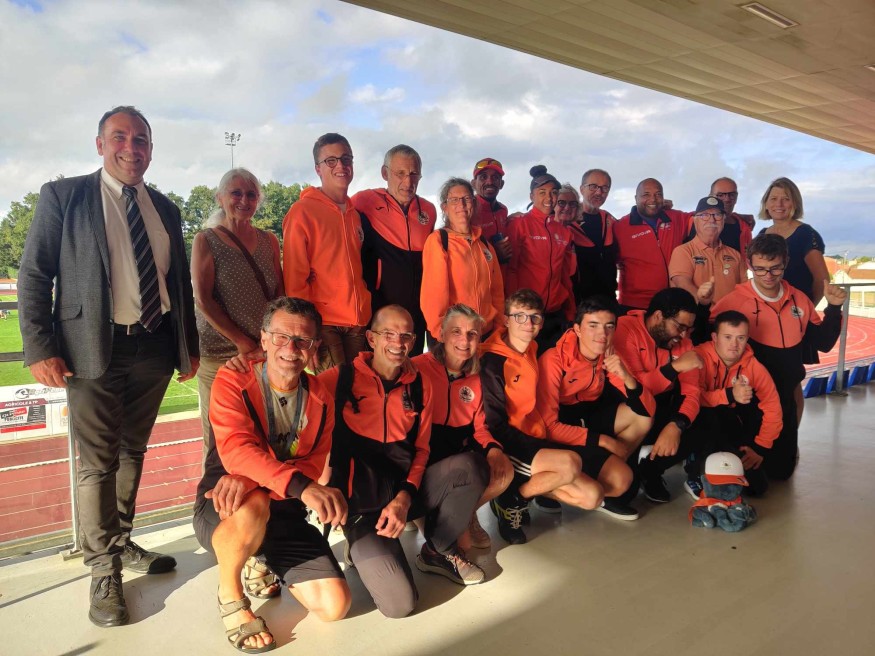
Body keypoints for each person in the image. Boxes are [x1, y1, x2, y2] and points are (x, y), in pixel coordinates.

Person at [17, 106, 199, 627]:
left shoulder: (165, 208)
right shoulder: (64, 196)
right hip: (91, 351)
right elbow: (35, 274)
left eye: (141, 139)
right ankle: (103, 570)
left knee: (132, 452)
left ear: (151, 149)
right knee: (98, 463)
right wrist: (39, 346)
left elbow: (177, 283)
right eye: (120, 137)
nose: (131, 148)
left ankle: (118, 541)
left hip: (154, 348)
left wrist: (185, 348)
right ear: (100, 144)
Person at [194, 297, 350, 653]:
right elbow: (236, 449)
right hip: (226, 503)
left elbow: (313, 464)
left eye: (302, 340)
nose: (290, 349)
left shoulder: (321, 396)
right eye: (281, 337)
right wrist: (295, 486)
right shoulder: (232, 378)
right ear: (263, 339)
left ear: (315, 346)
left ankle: (255, 557)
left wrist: (252, 478)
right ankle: (231, 595)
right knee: (254, 504)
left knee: (335, 607)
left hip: (279, 506)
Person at [320, 305, 486, 618]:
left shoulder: (420, 385)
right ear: (371, 338)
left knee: (471, 467)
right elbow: (290, 395)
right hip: (363, 509)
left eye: (406, 335)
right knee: (400, 605)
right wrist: (321, 486)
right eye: (389, 334)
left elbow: (422, 450)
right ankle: (359, 545)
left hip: (404, 496)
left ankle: (437, 551)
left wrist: (404, 498)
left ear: (413, 340)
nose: (398, 342)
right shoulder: (338, 380)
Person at [480, 289, 614, 544]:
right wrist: (532, 447)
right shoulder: (492, 362)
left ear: (541, 322)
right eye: (519, 316)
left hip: (535, 437)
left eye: (535, 317)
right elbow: (494, 424)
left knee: (592, 496)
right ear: (506, 320)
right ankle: (510, 501)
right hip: (509, 444)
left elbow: (569, 345)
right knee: (570, 464)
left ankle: (518, 492)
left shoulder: (532, 348)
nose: (528, 323)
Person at [710, 234, 845, 480]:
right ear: (749, 265)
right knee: (752, 479)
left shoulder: (800, 299)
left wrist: (834, 308)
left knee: (782, 474)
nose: (768, 275)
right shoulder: (733, 301)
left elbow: (824, 343)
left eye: (775, 268)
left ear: (786, 262)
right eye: (760, 269)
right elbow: (707, 340)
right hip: (747, 402)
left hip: (784, 402)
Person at [536, 296, 655, 520]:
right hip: (560, 429)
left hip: (587, 418)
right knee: (614, 484)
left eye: (609, 326)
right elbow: (549, 426)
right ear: (577, 329)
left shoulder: (608, 352)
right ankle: (546, 487)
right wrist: (604, 441)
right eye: (593, 325)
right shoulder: (553, 360)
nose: (602, 334)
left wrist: (626, 377)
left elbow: (647, 410)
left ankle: (595, 480)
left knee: (641, 422)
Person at [191, 168, 283, 454]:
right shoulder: (206, 240)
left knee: (265, 435)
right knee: (219, 443)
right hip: (221, 355)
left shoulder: (269, 240)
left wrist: (270, 342)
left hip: (262, 355)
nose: (244, 200)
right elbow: (203, 300)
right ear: (220, 198)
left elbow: (279, 295)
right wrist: (242, 343)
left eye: (251, 194)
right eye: (236, 193)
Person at [413, 304, 514, 549]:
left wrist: (493, 449)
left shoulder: (479, 375)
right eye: (456, 331)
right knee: (462, 546)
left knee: (505, 471)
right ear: (441, 334)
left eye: (472, 334)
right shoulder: (416, 367)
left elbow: (480, 427)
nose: (464, 340)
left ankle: (465, 513)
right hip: (421, 453)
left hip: (458, 452)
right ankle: (424, 515)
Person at [282, 133, 371, 373]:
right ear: (318, 169)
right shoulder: (302, 212)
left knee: (358, 389)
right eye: (331, 160)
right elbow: (294, 279)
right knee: (334, 391)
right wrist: (304, 333)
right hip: (324, 324)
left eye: (346, 158)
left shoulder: (354, 214)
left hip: (358, 321)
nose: (340, 165)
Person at [611, 288, 703, 503]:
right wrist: (675, 367)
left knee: (707, 419)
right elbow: (633, 390)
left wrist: (676, 425)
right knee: (623, 495)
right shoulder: (624, 328)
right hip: (628, 411)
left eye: (688, 329)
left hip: (661, 407)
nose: (684, 335)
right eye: (680, 327)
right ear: (658, 316)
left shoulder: (684, 341)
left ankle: (650, 470)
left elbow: (692, 392)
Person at [685, 310, 782, 498]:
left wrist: (760, 447)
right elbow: (693, 398)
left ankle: (725, 457)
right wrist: (730, 394)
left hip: (728, 422)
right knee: (709, 414)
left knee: (757, 487)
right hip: (698, 418)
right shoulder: (698, 357)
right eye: (728, 337)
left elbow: (773, 407)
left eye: (741, 338)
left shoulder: (753, 366)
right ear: (715, 337)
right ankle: (693, 471)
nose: (734, 344)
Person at [353, 144, 436, 354]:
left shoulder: (428, 210)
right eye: (400, 173)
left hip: (416, 310)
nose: (408, 182)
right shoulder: (364, 201)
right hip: (380, 307)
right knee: (378, 364)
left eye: (414, 174)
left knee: (412, 364)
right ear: (385, 173)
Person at [420, 178, 504, 344]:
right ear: (444, 207)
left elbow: (497, 291)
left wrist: (499, 327)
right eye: (454, 200)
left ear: (474, 203)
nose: (462, 205)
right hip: (455, 336)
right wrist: (441, 334)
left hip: (486, 335)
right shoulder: (439, 241)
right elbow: (433, 295)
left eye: (466, 199)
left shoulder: (485, 244)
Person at [505, 165, 576, 353]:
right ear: (532, 196)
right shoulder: (519, 225)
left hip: (555, 314)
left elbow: (564, 275)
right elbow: (511, 270)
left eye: (553, 192)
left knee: (554, 364)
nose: (549, 198)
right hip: (527, 315)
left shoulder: (564, 232)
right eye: (542, 192)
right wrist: (512, 311)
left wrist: (570, 311)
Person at [614, 178, 691, 311]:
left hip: (672, 303)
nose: (653, 199)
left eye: (658, 194)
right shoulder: (619, 227)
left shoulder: (677, 218)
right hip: (635, 305)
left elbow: (706, 215)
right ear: (636, 198)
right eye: (646, 194)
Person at [757, 177, 828, 305]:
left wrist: (808, 308)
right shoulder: (762, 234)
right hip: (767, 307)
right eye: (773, 199)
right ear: (766, 204)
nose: (779, 204)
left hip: (796, 308)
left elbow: (822, 279)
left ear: (795, 204)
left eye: (786, 199)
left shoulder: (806, 234)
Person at [669, 195, 747, 308]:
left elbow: (745, 289)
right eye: (704, 215)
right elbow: (682, 285)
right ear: (695, 220)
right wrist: (709, 310)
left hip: (731, 316)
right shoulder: (683, 251)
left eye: (717, 215)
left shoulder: (735, 255)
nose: (711, 220)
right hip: (700, 316)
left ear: (724, 220)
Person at [567, 169, 618, 303]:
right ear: (581, 189)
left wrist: (661, 209)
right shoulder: (566, 219)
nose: (599, 192)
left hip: (608, 300)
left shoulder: (610, 220)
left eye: (605, 188)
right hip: (578, 303)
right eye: (593, 186)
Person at [686, 177, 754, 254]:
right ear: (710, 197)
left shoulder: (744, 226)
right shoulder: (691, 222)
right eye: (720, 195)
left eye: (732, 195)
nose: (727, 199)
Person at [470, 157, 512, 264]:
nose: (490, 181)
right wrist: (493, 252)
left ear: (501, 184)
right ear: (473, 184)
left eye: (495, 177)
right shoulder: (468, 211)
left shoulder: (503, 210)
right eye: (483, 177)